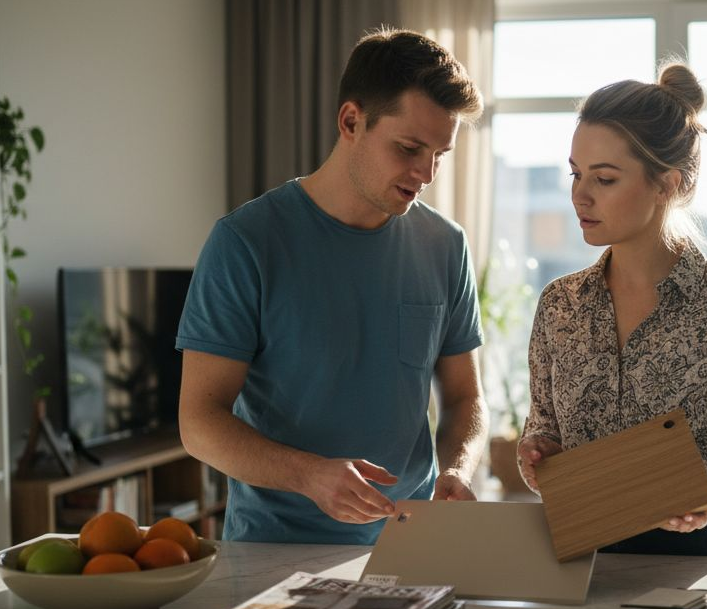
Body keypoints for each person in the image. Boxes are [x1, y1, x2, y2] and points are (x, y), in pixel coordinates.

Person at [176, 29, 488, 545]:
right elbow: (199, 423)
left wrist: (458, 467)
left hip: (411, 543)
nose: (426, 172)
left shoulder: (445, 244)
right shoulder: (246, 242)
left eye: (440, 153)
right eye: (409, 148)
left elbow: (464, 397)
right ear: (351, 121)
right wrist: (310, 476)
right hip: (275, 551)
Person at [516, 63, 707, 557]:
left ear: (666, 184)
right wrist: (538, 451)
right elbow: (544, 426)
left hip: (697, 562)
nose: (579, 195)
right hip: (579, 560)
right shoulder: (560, 305)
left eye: (604, 179)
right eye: (576, 174)